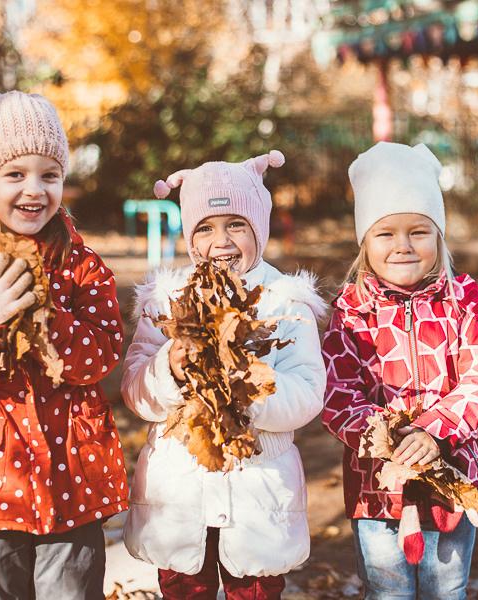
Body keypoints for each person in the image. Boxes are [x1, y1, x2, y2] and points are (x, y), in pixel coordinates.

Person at [0, 90, 128, 600]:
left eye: (49, 175)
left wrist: (48, 316)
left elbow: (100, 356)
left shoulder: (81, 264)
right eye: (15, 174)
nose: (34, 189)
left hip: (73, 474)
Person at [121, 151, 326, 600]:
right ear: (190, 236)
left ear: (259, 230)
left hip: (257, 491)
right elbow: (136, 390)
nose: (222, 241)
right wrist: (167, 371)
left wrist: (249, 387)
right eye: (206, 228)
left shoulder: (285, 302)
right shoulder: (166, 299)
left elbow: (308, 392)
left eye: (237, 225)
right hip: (179, 492)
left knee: (252, 587)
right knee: (184, 587)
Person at [320, 142, 478, 600]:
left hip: (453, 475)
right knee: (389, 589)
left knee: (447, 587)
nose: (403, 246)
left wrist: (435, 431)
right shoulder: (351, 313)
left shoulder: (463, 303)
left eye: (418, 231)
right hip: (379, 485)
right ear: (365, 242)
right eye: (385, 234)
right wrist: (386, 440)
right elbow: (335, 393)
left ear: (439, 236)